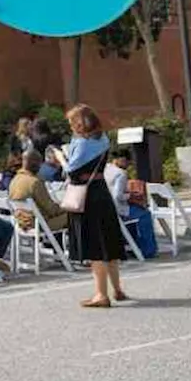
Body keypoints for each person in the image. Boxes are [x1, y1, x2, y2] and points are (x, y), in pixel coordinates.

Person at [51, 105, 128, 308]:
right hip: (101, 191)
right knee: (108, 243)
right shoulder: (102, 139)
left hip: (87, 196)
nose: (70, 126)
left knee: (95, 246)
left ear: (79, 123)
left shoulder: (83, 144)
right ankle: (117, 289)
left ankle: (101, 294)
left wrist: (60, 158)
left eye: (71, 122)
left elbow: (72, 170)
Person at [105, 150, 158, 260]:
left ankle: (133, 245)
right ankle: (148, 250)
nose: (128, 166)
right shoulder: (120, 173)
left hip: (106, 207)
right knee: (145, 215)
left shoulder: (105, 169)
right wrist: (130, 196)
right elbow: (117, 196)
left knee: (134, 218)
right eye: (127, 163)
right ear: (122, 160)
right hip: (119, 208)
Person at [9, 150, 68, 234]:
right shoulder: (35, 182)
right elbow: (51, 210)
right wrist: (65, 207)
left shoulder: (14, 180)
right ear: (35, 164)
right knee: (73, 216)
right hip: (39, 225)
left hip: (21, 224)